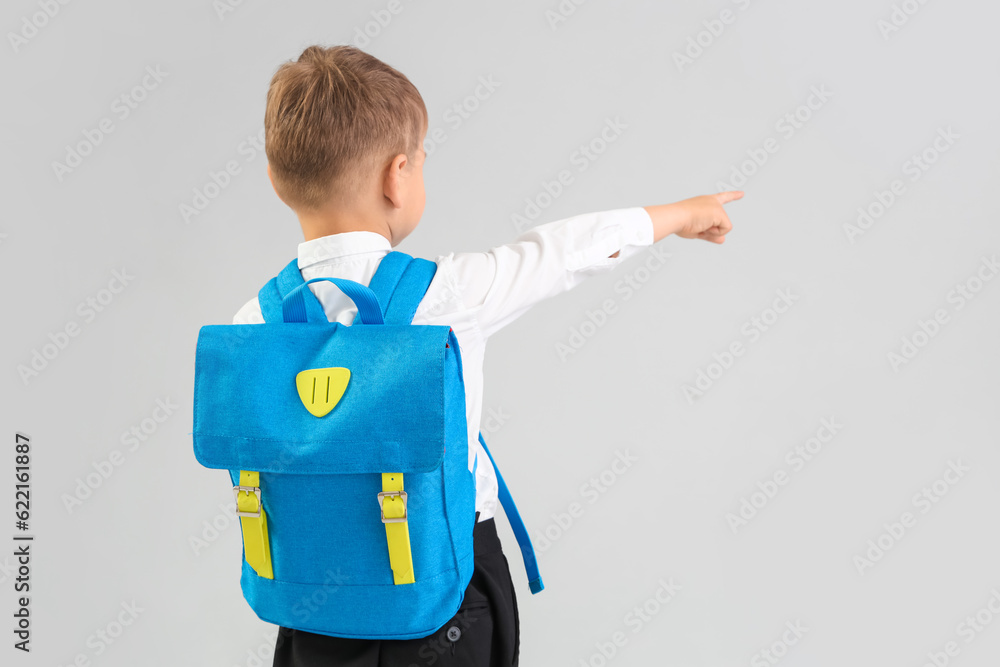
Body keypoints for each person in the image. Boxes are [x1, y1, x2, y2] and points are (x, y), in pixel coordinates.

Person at [231, 43, 742, 667]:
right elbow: (564, 252)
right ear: (398, 177)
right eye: (420, 162)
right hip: (444, 595)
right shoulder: (447, 296)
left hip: (309, 603)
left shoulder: (251, 323)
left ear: (276, 181)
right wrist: (682, 214)